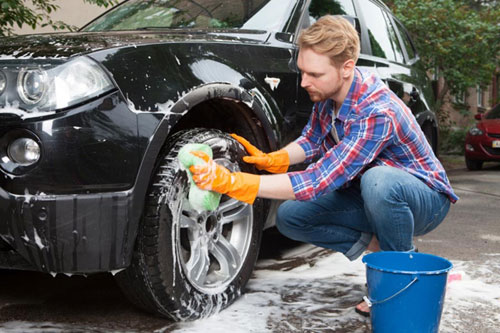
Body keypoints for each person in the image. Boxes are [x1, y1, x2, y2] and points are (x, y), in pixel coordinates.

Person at [188, 15, 458, 317]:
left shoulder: (377, 111)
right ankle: (390, 254)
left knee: (379, 182)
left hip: (426, 199)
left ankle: (400, 276)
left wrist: (236, 183)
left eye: (314, 74)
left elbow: (318, 179)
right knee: (291, 217)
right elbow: (311, 140)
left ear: (346, 68)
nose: (304, 82)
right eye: (303, 72)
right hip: (371, 193)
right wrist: (276, 158)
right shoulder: (329, 94)